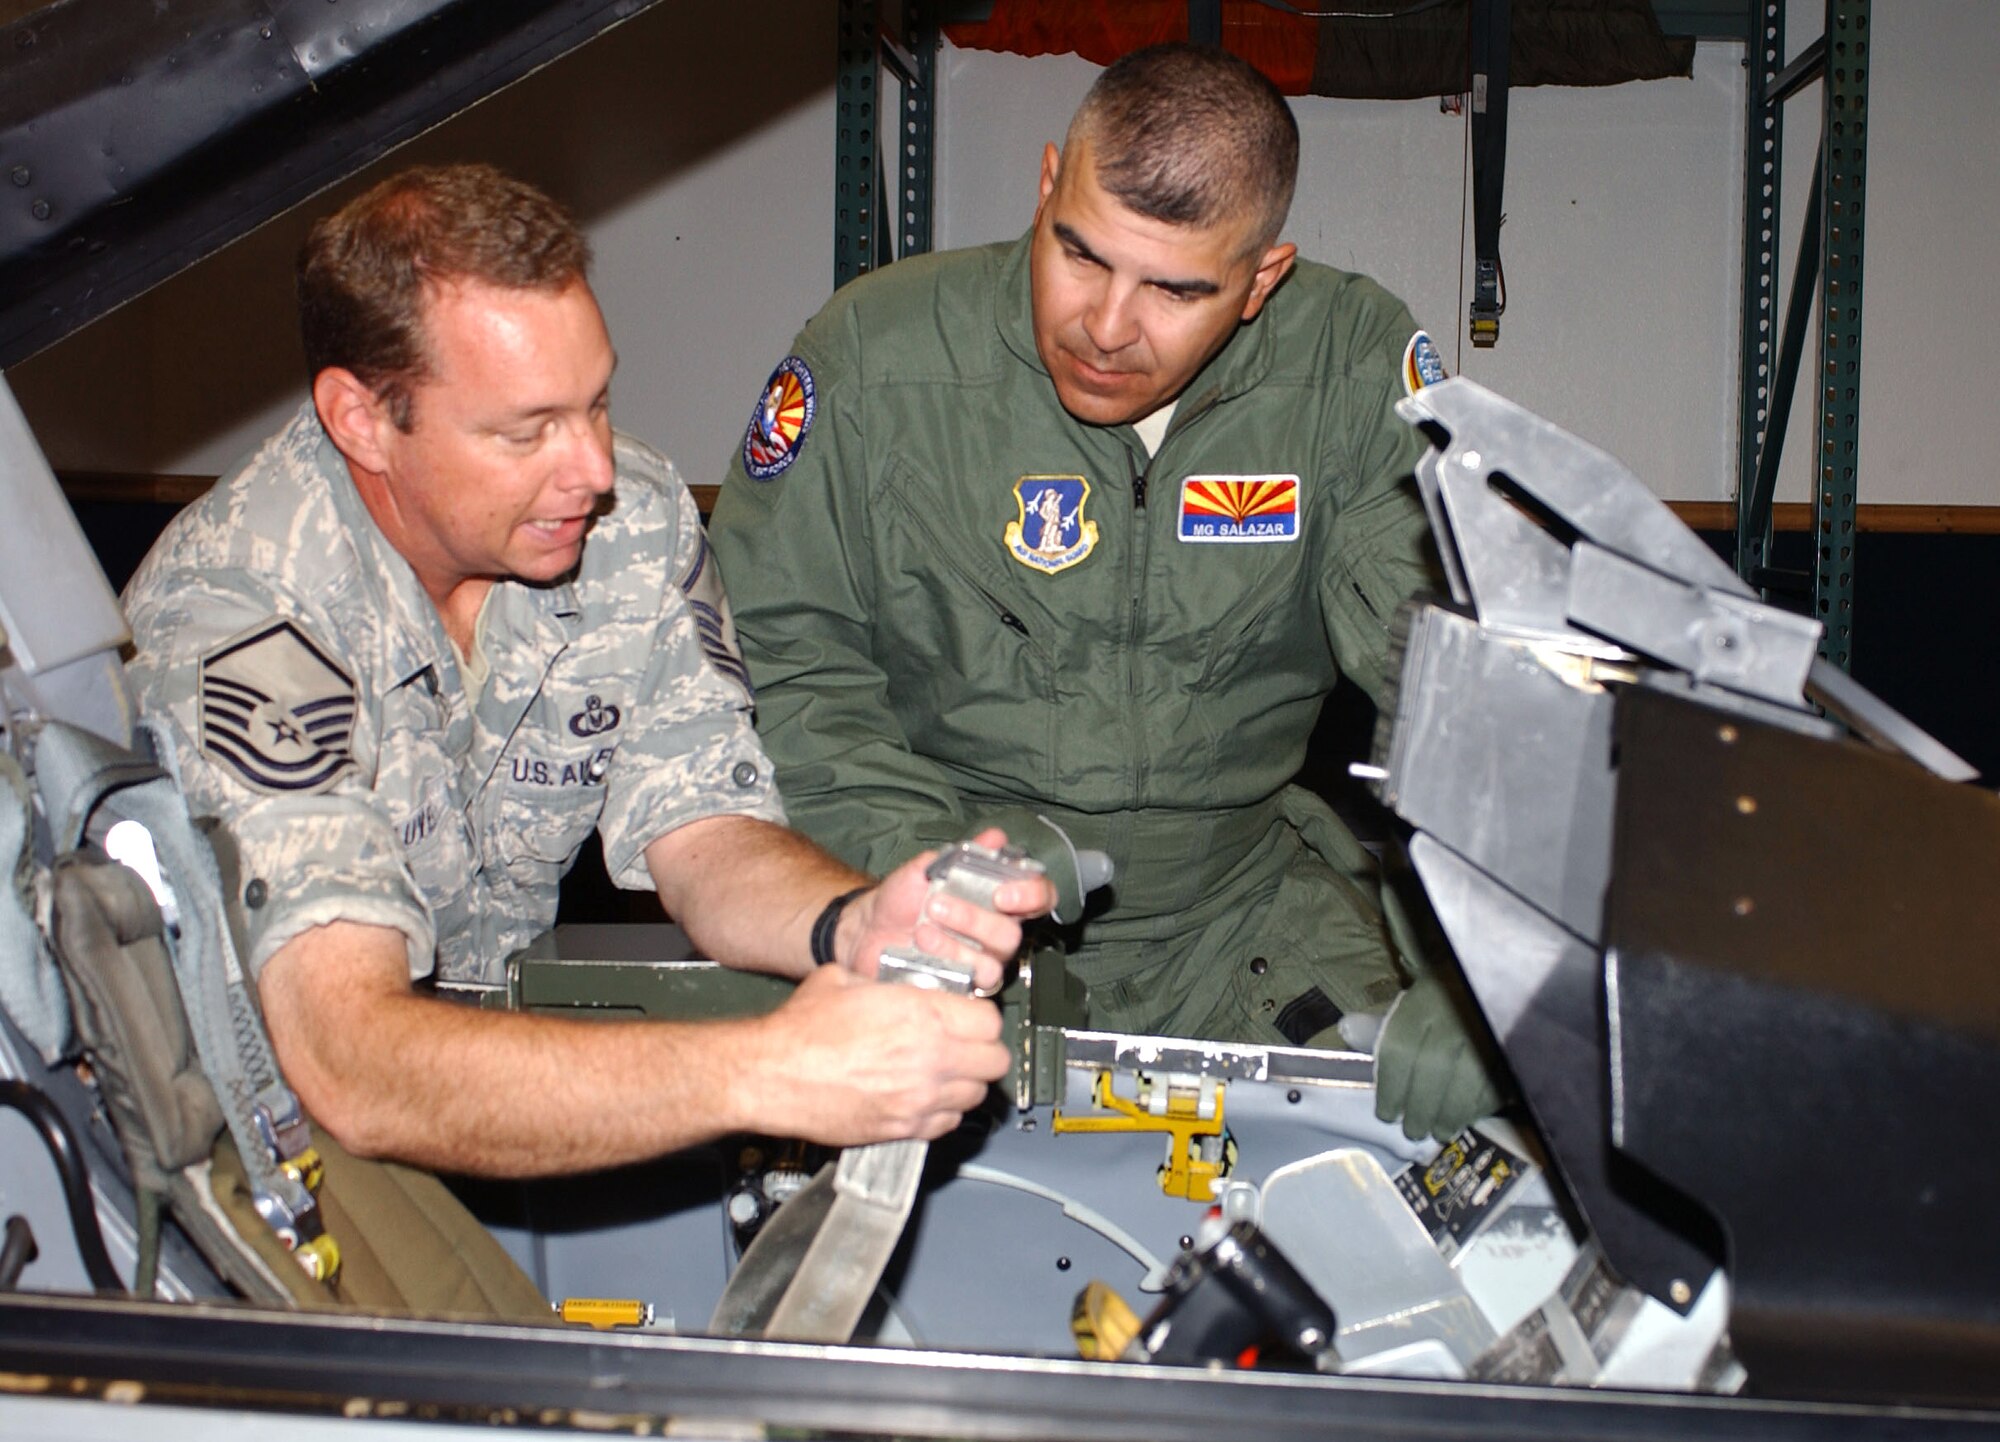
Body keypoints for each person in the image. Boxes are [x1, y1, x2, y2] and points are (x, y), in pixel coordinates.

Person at [119, 163, 1055, 1200]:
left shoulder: (630, 523)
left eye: (597, 399)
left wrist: (850, 919)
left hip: (494, 1103)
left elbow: (702, 826)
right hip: (254, 1161)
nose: (594, 467)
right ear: (360, 419)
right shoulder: (244, 613)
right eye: (525, 429)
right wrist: (768, 1071)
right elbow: (349, 1061)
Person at [708, 44, 1502, 1142]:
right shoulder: (875, 364)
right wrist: (938, 860)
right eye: (1076, 253)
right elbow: (785, 667)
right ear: (1044, 186)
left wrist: (1494, 967)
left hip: (1242, 920)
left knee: (1438, 1178)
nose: (1107, 324)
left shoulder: (1343, 369)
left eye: (1175, 289)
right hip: (937, 904)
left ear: (1260, 278)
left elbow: (1454, 675)